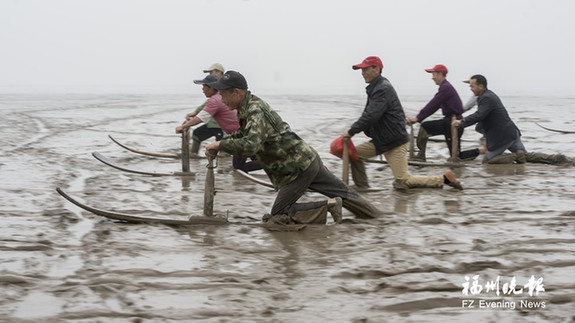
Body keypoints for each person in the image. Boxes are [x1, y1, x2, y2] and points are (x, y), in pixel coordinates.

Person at [205, 71, 381, 224]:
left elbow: (251, 145)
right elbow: (243, 135)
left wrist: (221, 144)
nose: (221, 98)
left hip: (296, 169)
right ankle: (377, 217)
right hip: (306, 159)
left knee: (278, 215)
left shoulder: (254, 110)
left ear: (236, 92)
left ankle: (329, 206)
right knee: (344, 192)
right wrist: (220, 145)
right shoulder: (247, 108)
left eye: (223, 94)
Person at [343, 56, 463, 190]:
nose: (362, 73)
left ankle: (444, 179)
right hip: (381, 140)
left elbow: (371, 115)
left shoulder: (382, 88)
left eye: (365, 69)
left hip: (395, 141)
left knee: (403, 181)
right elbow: (370, 115)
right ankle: (362, 187)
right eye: (361, 70)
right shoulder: (376, 87)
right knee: (354, 154)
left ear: (376, 69)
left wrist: (350, 132)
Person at [176, 74, 261, 172]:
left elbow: (202, 117)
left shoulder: (215, 100)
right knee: (255, 157)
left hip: (242, 135)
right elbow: (202, 113)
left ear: (212, 88)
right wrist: (188, 122)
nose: (202, 89)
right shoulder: (219, 98)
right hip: (244, 132)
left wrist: (183, 126)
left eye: (204, 86)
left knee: (239, 166)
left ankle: (273, 166)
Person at [407, 64, 478, 161]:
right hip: (453, 122)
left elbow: (433, 104)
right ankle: (481, 151)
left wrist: (418, 118)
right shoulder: (445, 87)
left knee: (425, 127)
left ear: (440, 74)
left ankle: (420, 156)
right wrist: (420, 117)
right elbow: (434, 106)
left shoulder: (446, 87)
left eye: (433, 74)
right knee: (456, 156)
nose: (432, 78)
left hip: (452, 123)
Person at [452, 74, 526, 164]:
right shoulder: (485, 96)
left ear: (481, 86)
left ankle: (516, 156)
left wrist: (461, 122)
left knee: (488, 160)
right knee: (526, 157)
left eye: (472, 86)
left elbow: (479, 115)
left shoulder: (487, 98)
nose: (470, 88)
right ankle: (548, 159)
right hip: (512, 132)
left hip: (503, 136)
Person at [185, 63, 227, 155]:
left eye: (211, 72)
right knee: (197, 134)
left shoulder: (225, 85)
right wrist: (195, 112)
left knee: (223, 148)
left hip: (223, 125)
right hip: (213, 123)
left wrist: (188, 123)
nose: (209, 75)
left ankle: (225, 165)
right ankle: (193, 156)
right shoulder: (214, 88)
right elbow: (209, 103)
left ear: (219, 72)